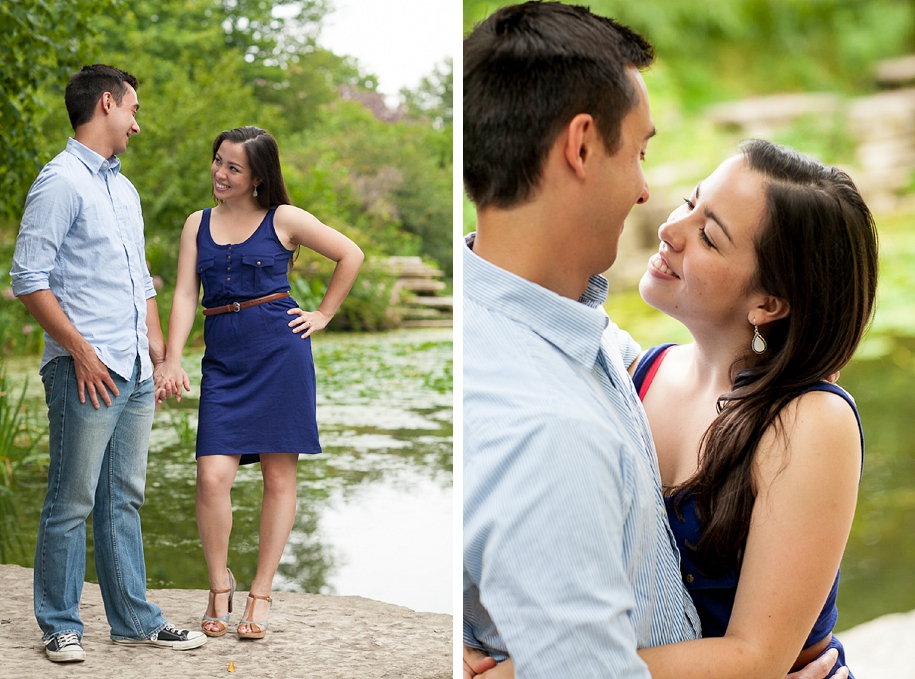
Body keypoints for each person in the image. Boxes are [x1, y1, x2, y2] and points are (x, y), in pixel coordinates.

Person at [463, 4, 851, 679]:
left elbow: (757, 655)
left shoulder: (806, 420)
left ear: (768, 300)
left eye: (709, 234)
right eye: (689, 202)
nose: (665, 220)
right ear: (581, 145)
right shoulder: (625, 365)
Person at [463, 3, 700, 678]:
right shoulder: (547, 431)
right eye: (639, 152)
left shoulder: (531, 316)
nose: (644, 189)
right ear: (582, 146)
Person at [10, 64, 206, 663]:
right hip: (85, 369)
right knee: (72, 499)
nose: (137, 124)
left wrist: (162, 352)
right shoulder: (61, 181)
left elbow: (141, 282)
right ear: (105, 105)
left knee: (124, 498)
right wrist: (79, 351)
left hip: (135, 372)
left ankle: (134, 621)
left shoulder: (124, 189)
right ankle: (60, 624)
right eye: (133, 110)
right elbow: (27, 278)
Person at [157, 126, 363, 640]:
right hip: (224, 361)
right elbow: (185, 295)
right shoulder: (196, 224)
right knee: (212, 477)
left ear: (257, 178)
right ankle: (218, 585)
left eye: (233, 167)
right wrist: (174, 358)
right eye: (218, 161)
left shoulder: (284, 219)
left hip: (280, 353)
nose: (220, 174)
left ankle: (261, 593)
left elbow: (350, 254)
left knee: (278, 478)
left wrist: (322, 314)